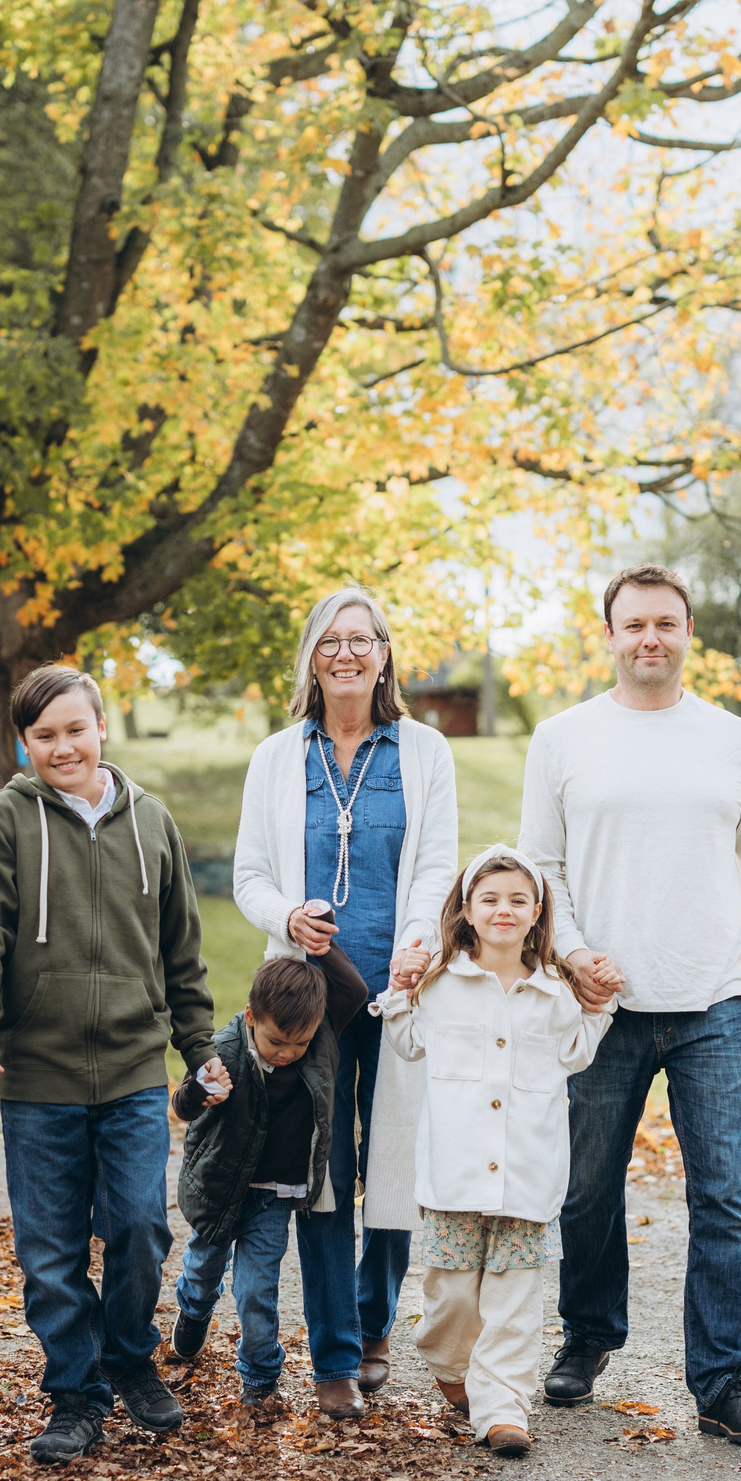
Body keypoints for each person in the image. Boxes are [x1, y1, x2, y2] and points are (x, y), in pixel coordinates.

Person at [519, 562, 741, 1446]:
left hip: (711, 1001)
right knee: (586, 1188)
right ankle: (588, 1334)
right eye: (635, 623)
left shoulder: (736, 741)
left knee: (723, 1197)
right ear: (609, 635)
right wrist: (573, 954)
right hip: (600, 1006)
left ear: (690, 634)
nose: (651, 637)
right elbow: (541, 869)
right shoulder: (562, 737)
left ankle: (724, 1380)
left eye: (666, 623)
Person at [0, 664, 215, 1466]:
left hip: (133, 1067)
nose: (63, 747)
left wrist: (200, 1050)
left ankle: (128, 1356)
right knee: (51, 1250)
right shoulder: (3, 820)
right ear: (23, 743)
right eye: (45, 735)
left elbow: (182, 952)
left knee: (139, 1226)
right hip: (39, 1076)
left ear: (102, 726)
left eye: (76, 729)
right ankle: (75, 1390)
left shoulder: (152, 821)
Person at [231, 586, 459, 1396]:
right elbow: (250, 876)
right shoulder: (276, 757)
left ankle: (373, 1322)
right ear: (311, 659)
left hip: (396, 991)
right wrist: (286, 916)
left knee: (393, 1161)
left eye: (361, 639)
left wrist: (418, 941)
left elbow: (437, 865)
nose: (346, 654)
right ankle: (332, 1357)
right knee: (322, 1169)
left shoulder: (425, 752)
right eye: (329, 641)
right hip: (309, 998)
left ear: (385, 654)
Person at [381, 846, 610, 1457]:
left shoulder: (556, 993)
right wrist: (400, 987)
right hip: (454, 1174)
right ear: (466, 910)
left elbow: (576, 1053)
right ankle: (450, 1363)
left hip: (527, 1175)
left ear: (537, 913)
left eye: (517, 900)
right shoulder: (439, 982)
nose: (503, 909)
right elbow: (406, 1042)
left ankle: (504, 1407)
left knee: (513, 1303)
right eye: (489, 899)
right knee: (452, 1297)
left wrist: (599, 1005)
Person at [169, 950, 375, 1416]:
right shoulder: (224, 1051)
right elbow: (181, 1107)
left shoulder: (320, 1039)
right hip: (220, 1191)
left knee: (257, 1292)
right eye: (276, 1041)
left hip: (273, 1198)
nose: (286, 1053)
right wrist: (201, 1091)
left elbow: (355, 991)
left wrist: (320, 945)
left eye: (298, 1044)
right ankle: (194, 1309)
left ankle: (260, 1378)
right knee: (203, 1272)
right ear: (251, 1017)